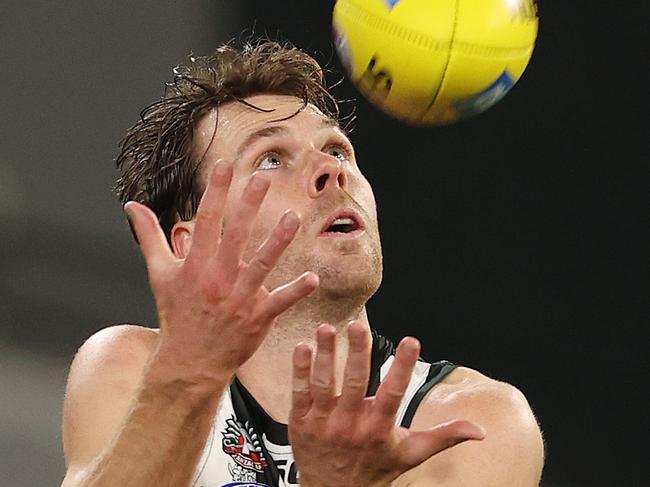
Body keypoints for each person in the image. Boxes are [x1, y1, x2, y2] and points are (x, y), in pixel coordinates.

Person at [60, 40, 544, 487]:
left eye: (337, 149)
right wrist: (187, 381)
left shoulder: (470, 423)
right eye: (271, 158)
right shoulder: (131, 368)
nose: (331, 170)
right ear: (192, 243)